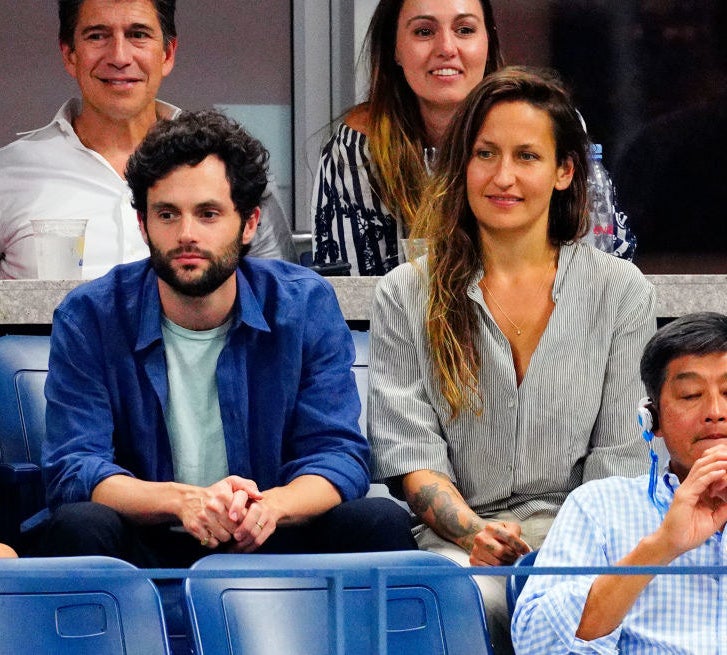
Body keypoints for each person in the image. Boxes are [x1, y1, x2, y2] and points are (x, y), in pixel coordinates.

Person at [37, 110, 416, 567]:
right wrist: (183, 502)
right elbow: (76, 467)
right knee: (79, 526)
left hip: (272, 536)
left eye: (209, 214)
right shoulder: (91, 316)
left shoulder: (303, 305)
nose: (186, 235)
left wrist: (271, 508)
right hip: (149, 541)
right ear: (143, 225)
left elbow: (336, 455)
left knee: (378, 521)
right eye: (167, 214)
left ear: (250, 222)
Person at [367, 67, 655, 654]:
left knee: (570, 602)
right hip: (457, 547)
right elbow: (412, 457)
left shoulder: (621, 292)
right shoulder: (406, 294)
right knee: (477, 597)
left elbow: (620, 457)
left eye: (527, 156)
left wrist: (568, 556)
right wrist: (476, 533)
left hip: (585, 544)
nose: (503, 177)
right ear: (463, 166)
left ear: (564, 171)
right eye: (485, 154)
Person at [311, 0, 634, 276]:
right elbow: (354, 299)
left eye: (464, 30)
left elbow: (609, 254)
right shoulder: (360, 147)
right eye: (424, 32)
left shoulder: (545, 119)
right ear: (394, 47)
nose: (446, 49)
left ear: (488, 41)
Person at [0, 0, 296, 280]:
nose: (119, 57)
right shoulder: (9, 175)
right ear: (69, 55)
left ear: (168, 53)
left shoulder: (229, 163)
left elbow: (279, 303)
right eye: (97, 36)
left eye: (138, 34)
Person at [513, 312, 727, 653]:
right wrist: (660, 547)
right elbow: (539, 644)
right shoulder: (598, 507)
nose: (715, 411)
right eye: (690, 395)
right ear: (652, 418)